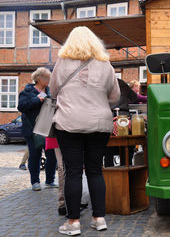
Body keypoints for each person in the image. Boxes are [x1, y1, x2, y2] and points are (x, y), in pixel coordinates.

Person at [50, 26, 120, 235]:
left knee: (72, 172)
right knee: (95, 170)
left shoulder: (61, 63)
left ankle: (73, 223)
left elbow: (53, 91)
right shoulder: (105, 64)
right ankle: (99, 219)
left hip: (68, 122)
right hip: (99, 124)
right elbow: (115, 95)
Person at [17, 67, 58, 191]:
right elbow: (21, 106)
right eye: (48, 78)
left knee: (52, 155)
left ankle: (50, 180)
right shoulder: (28, 91)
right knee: (35, 155)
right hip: (33, 129)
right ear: (39, 79)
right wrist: (36, 100)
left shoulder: (49, 91)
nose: (50, 80)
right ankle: (35, 181)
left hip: (49, 129)